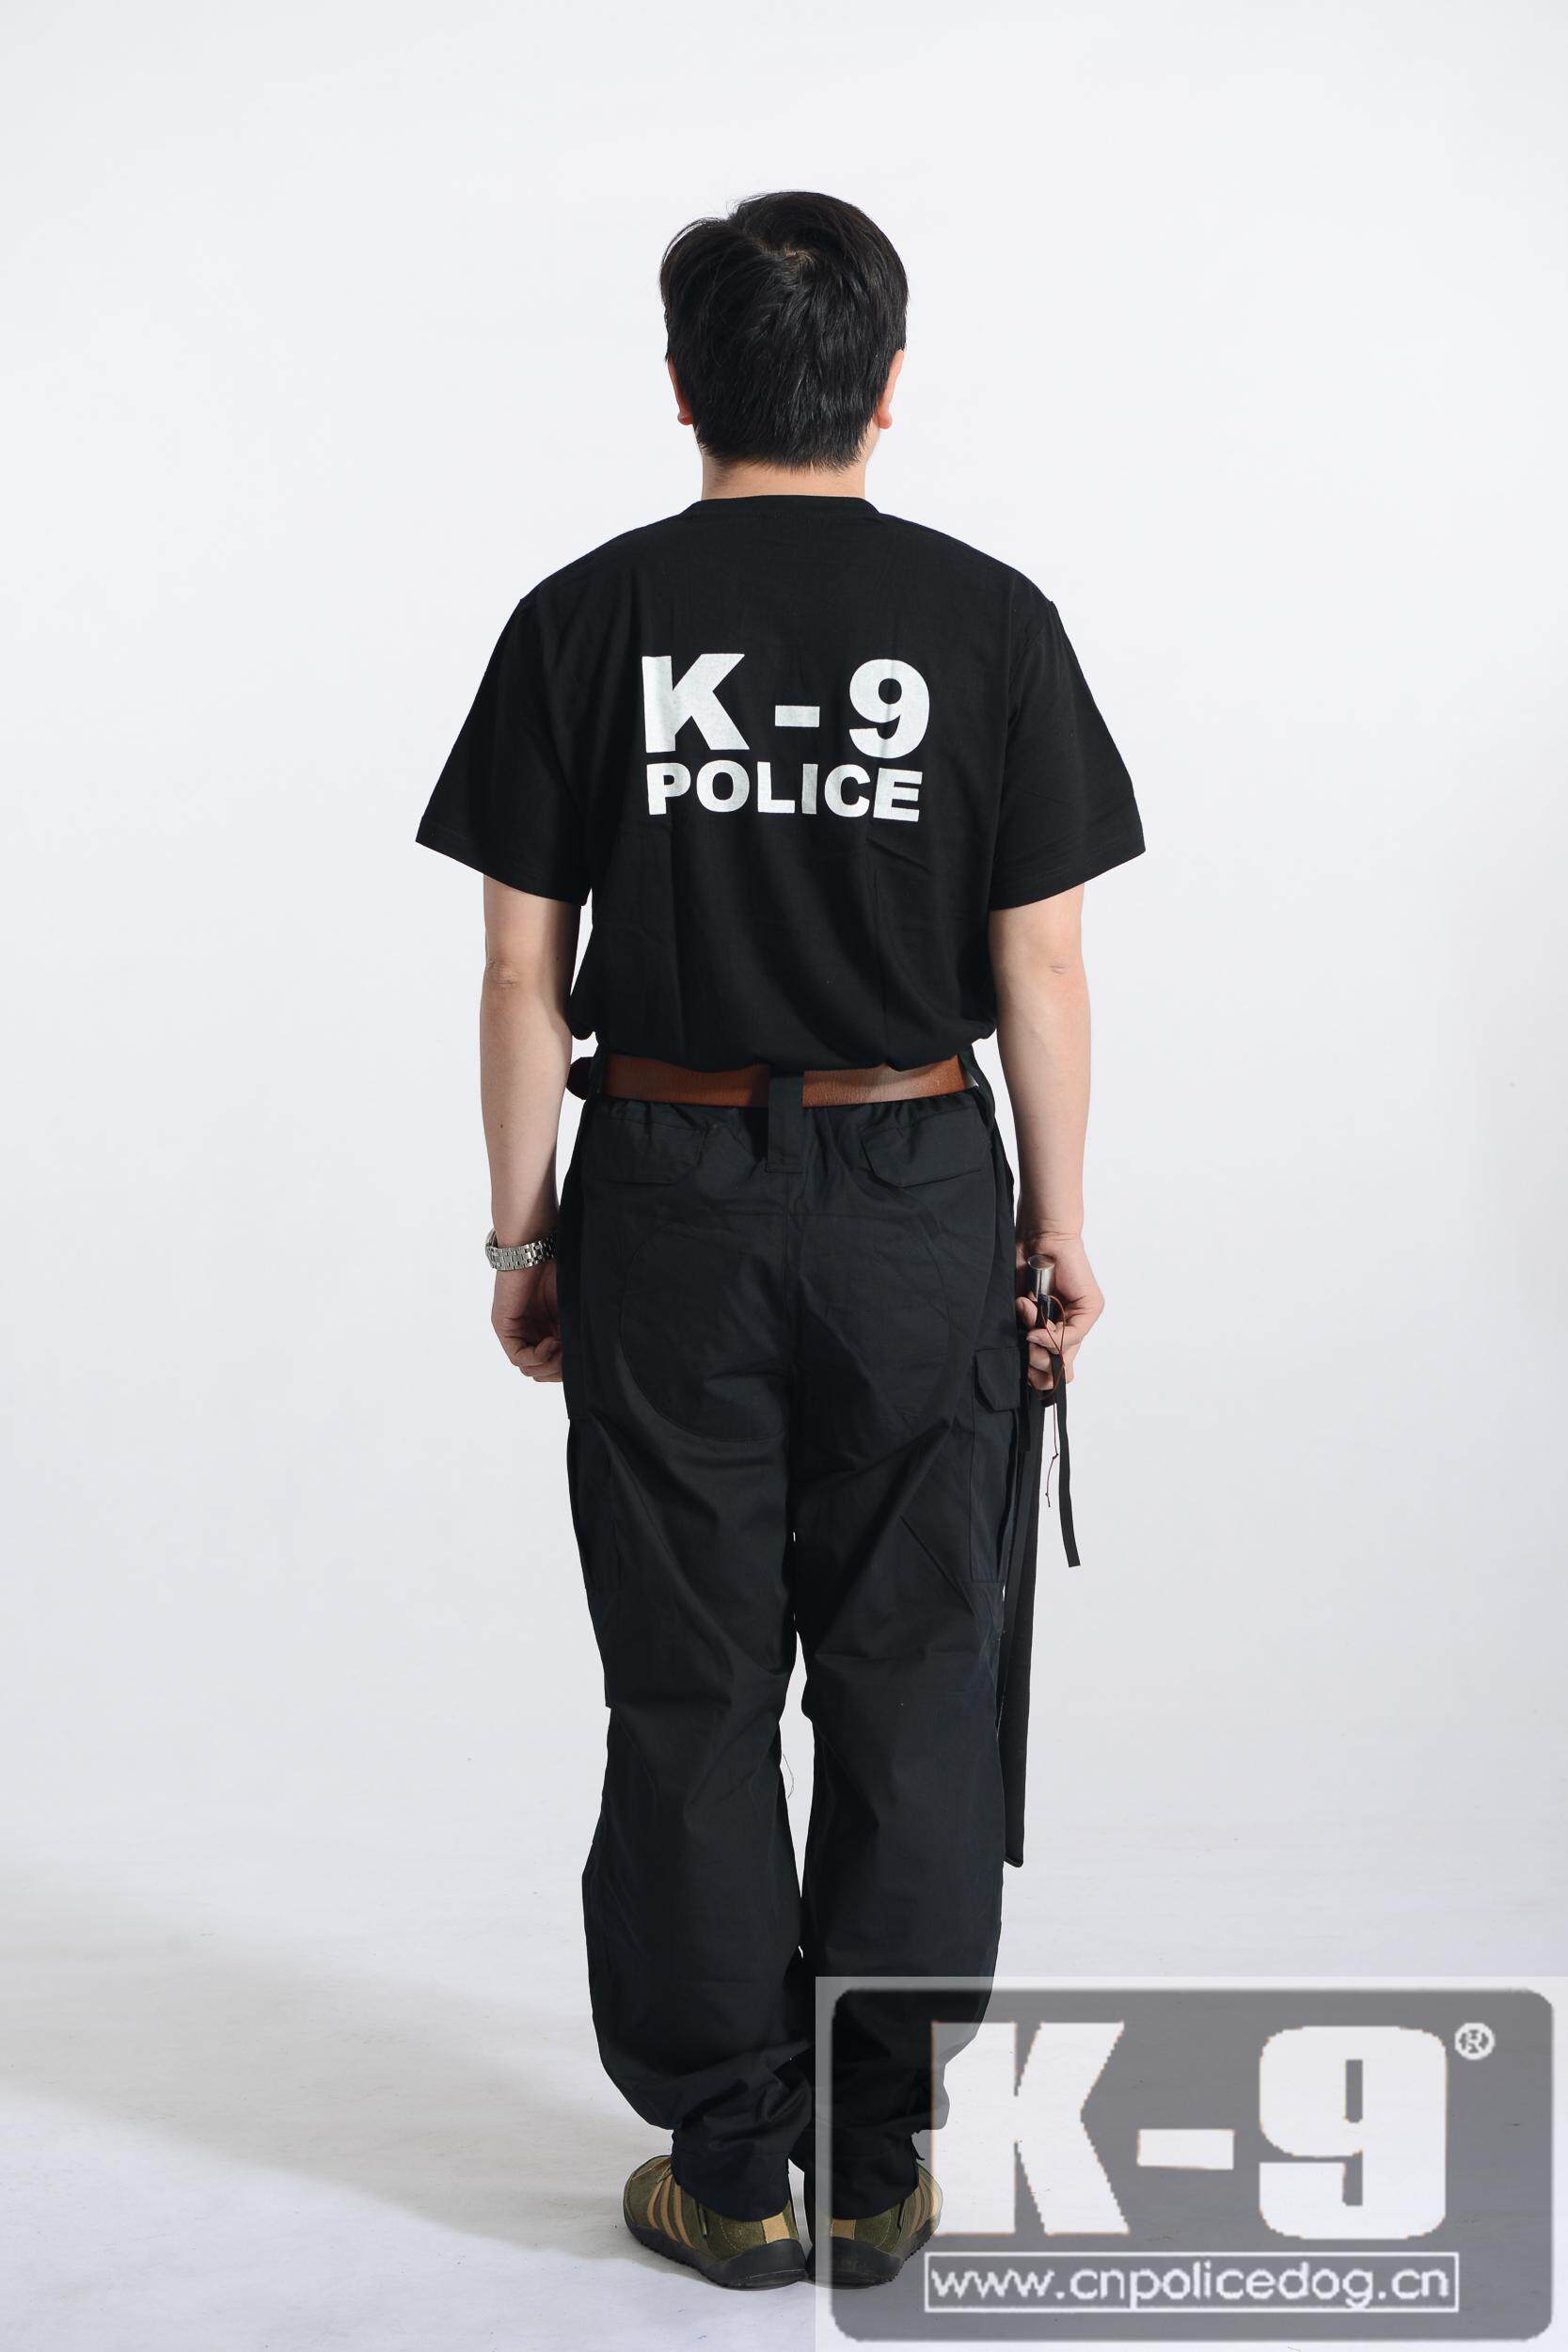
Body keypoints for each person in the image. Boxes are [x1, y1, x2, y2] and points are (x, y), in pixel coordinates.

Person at [417, 190, 1144, 2292]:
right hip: (920, 1189)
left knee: (692, 1680)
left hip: (661, 1190)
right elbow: (1044, 967)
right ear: (887, 389)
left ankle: (732, 2163)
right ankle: (877, 2151)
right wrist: (1058, 1228)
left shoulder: (587, 618)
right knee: (913, 1671)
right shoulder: (991, 623)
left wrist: (520, 1233)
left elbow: (519, 974)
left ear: (682, 387)